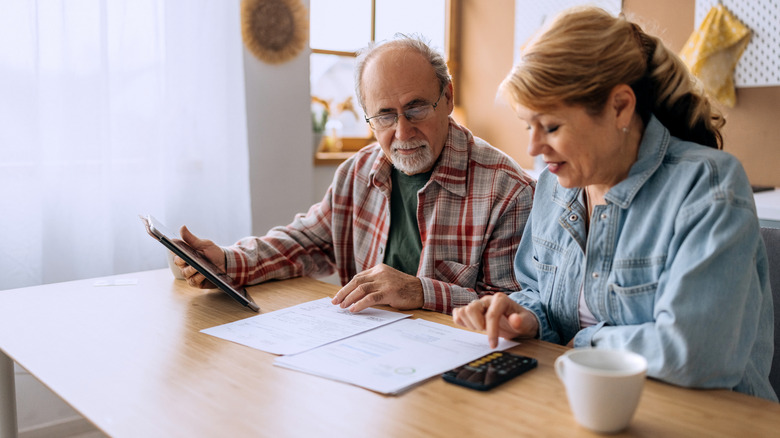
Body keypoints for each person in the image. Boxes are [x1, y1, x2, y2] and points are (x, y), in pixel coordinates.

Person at [453, 7, 777, 401]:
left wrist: (587, 343)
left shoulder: (707, 184)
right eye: (528, 125)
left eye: (552, 126)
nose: (533, 148)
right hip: (583, 404)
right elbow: (538, 293)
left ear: (620, 106)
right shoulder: (552, 188)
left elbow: (694, 353)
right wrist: (525, 318)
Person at [175, 35, 535, 315]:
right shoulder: (357, 172)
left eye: (416, 109)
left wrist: (419, 290)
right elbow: (305, 242)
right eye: (384, 116)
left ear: (448, 98)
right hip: (365, 359)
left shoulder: (508, 191)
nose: (403, 132)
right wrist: (224, 260)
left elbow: (515, 308)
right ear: (367, 116)